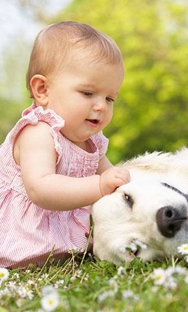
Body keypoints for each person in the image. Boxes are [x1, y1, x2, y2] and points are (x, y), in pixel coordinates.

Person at [0, 21, 130, 268]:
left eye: (110, 97)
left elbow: (113, 178)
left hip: (57, 241)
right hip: (19, 229)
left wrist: (123, 184)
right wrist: (100, 185)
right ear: (42, 90)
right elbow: (41, 189)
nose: (101, 105)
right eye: (88, 93)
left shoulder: (91, 143)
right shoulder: (38, 132)